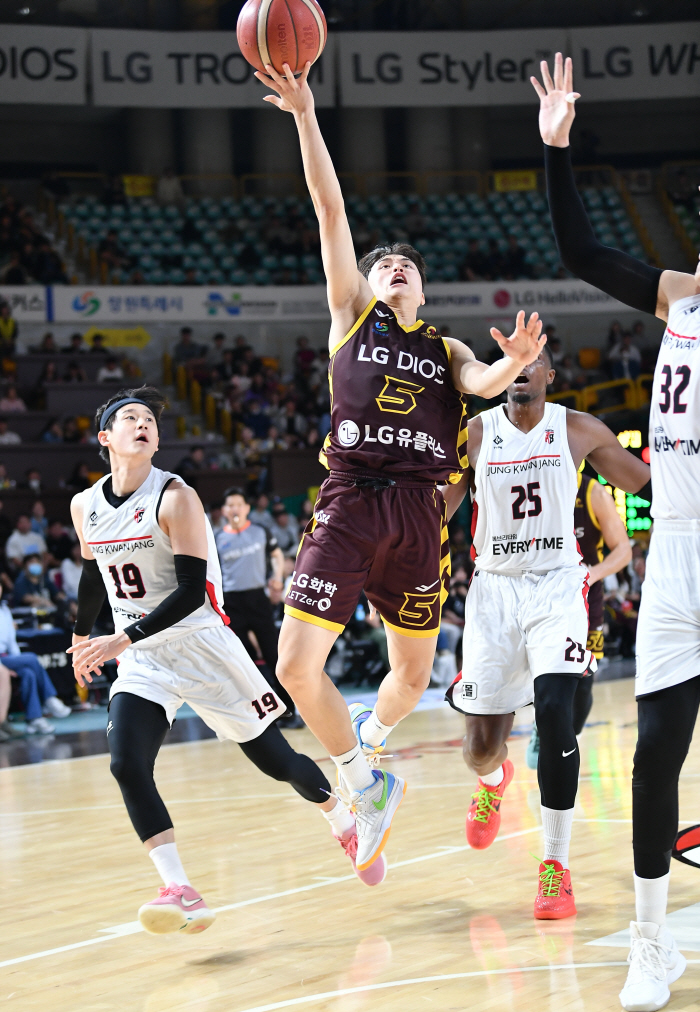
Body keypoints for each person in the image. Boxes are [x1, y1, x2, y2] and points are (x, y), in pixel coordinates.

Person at [257, 59, 547, 873]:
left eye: (406, 267)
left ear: (421, 285)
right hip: (351, 499)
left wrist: (514, 364)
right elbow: (328, 206)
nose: (394, 269)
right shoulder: (351, 316)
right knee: (291, 668)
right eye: (384, 264)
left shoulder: (445, 345)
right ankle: (360, 778)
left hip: (421, 515)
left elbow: (481, 385)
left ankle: (372, 750)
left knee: (413, 675)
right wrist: (307, 115)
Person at [68, 388, 386, 937]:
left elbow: (193, 592)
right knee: (125, 764)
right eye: (129, 418)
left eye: (149, 419)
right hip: (143, 657)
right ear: (105, 438)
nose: (142, 424)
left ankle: (341, 817)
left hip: (202, 645)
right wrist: (81, 636)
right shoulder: (84, 505)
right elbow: (95, 572)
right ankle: (180, 889)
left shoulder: (175, 497)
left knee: (277, 761)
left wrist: (120, 639)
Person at [532, 52, 700, 1008]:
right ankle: (651, 941)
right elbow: (582, 257)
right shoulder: (679, 292)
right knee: (653, 758)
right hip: (675, 551)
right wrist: (555, 150)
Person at [442, 343, 649, 918]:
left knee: (557, 712)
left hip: (557, 587)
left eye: (533, 361)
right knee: (480, 749)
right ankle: (494, 779)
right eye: (513, 362)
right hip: (494, 593)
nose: (523, 371)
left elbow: (642, 483)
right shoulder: (476, 435)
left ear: (549, 375)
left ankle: (554, 867)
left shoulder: (578, 428)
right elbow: (440, 506)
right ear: (502, 376)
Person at [526, 466, 633, 768]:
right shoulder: (531, 482)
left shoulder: (591, 491)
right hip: (540, 592)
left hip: (585, 595)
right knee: (542, 674)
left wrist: (591, 574)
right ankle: (544, 727)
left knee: (583, 680)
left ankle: (564, 741)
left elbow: (623, 549)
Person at [215, 488, 301, 728]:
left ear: (246, 508)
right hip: (231, 603)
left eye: (238, 505)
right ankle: (260, 717)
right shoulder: (216, 537)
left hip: (258, 600)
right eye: (229, 505)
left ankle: (289, 712)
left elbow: (276, 554)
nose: (234, 509)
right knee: (245, 664)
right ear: (224, 511)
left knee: (275, 658)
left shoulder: (260, 531)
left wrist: (275, 576)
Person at [0, 580, 70, 734]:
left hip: (7, 658)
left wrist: (16, 664)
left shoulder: (5, 610)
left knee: (28, 672)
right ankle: (49, 698)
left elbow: (11, 642)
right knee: (31, 658)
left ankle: (34, 719)